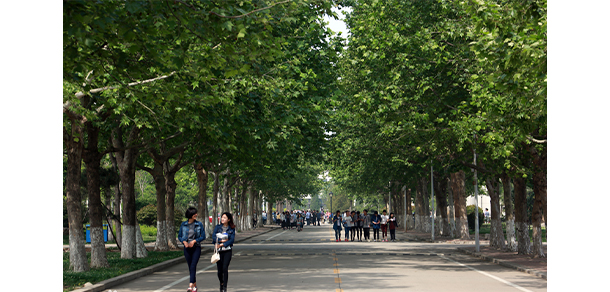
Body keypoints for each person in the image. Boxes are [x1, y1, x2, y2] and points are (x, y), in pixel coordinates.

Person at [178, 207, 206, 292]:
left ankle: (190, 285)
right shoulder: (183, 224)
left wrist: (194, 241)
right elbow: (179, 236)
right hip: (187, 248)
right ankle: (195, 285)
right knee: (191, 267)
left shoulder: (199, 224)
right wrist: (184, 242)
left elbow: (203, 236)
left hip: (196, 247)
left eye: (196, 213)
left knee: (193, 265)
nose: (196, 215)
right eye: (194, 214)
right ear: (190, 214)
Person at [212, 212, 236, 292]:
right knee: (219, 271)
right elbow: (213, 237)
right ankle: (221, 283)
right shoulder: (218, 227)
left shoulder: (231, 228)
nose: (222, 219)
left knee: (225, 268)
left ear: (229, 219)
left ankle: (224, 287)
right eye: (222, 217)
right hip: (219, 252)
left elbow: (231, 240)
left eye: (225, 217)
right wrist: (220, 240)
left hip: (227, 251)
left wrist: (222, 244)